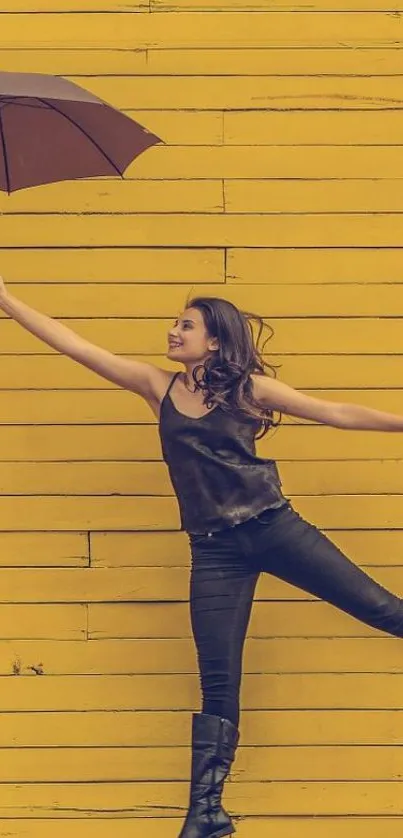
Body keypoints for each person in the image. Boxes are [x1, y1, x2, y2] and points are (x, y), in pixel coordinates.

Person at [1, 282, 403, 838]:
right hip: (214, 549)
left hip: (273, 527)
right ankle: (206, 814)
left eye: (185, 324)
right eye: (177, 323)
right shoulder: (155, 385)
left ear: (213, 341)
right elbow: (76, 345)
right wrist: (7, 300)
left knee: (382, 609)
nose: (173, 330)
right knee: (218, 681)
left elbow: (334, 411)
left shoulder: (250, 389)